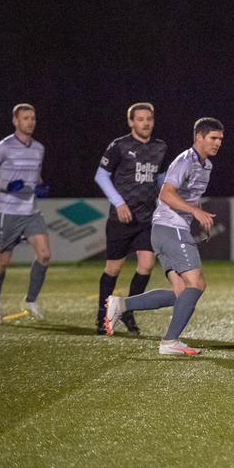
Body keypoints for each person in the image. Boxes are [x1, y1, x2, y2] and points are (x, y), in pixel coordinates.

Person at [104, 118, 224, 355]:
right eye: (213, 138)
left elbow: (191, 197)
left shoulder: (206, 166)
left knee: (181, 293)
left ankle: (122, 304)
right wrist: (195, 212)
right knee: (197, 284)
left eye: (220, 138)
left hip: (167, 230)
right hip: (170, 229)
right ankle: (170, 342)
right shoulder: (184, 161)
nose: (218, 143)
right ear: (198, 137)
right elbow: (166, 194)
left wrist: (198, 218)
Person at [93, 103, 168, 335]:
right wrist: (119, 202)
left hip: (146, 218)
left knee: (146, 264)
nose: (145, 123)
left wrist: (165, 204)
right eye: (140, 119)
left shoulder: (161, 147)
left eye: (149, 119)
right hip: (121, 219)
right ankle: (101, 317)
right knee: (113, 269)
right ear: (131, 122)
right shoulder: (120, 146)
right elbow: (101, 176)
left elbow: (162, 180)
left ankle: (128, 311)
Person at [0, 103, 51, 323]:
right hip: (7, 212)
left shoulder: (39, 148)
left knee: (44, 255)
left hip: (31, 211)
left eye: (33, 118)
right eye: (25, 118)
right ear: (15, 121)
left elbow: (35, 176)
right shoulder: (4, 147)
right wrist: (6, 184)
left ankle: (30, 300)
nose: (30, 122)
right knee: (3, 261)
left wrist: (40, 185)